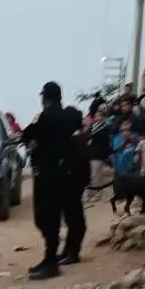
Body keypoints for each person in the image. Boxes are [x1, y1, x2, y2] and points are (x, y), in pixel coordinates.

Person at [21, 82, 73, 280]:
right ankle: (49, 258)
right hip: (59, 173)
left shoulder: (47, 115)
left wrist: (33, 141)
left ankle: (51, 263)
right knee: (51, 217)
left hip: (48, 174)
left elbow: (29, 134)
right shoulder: (64, 115)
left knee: (46, 217)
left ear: (47, 96)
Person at [59, 106, 90, 265]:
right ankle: (68, 251)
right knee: (71, 219)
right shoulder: (75, 138)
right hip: (71, 184)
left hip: (73, 184)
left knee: (75, 219)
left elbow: (78, 166)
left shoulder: (77, 140)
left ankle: (73, 253)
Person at [110, 117, 140, 211]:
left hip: (133, 164)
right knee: (122, 183)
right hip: (121, 164)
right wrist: (125, 141)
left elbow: (139, 147)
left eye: (128, 124)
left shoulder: (136, 135)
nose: (126, 127)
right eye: (124, 125)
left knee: (133, 183)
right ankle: (121, 200)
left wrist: (131, 140)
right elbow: (116, 149)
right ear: (120, 127)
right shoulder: (117, 137)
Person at [86, 108, 113, 203]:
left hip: (98, 154)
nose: (97, 117)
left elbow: (106, 142)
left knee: (95, 176)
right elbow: (86, 137)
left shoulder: (105, 129)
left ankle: (96, 195)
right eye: (96, 116)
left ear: (103, 117)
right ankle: (91, 194)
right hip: (89, 154)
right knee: (90, 175)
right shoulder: (91, 128)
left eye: (99, 116)